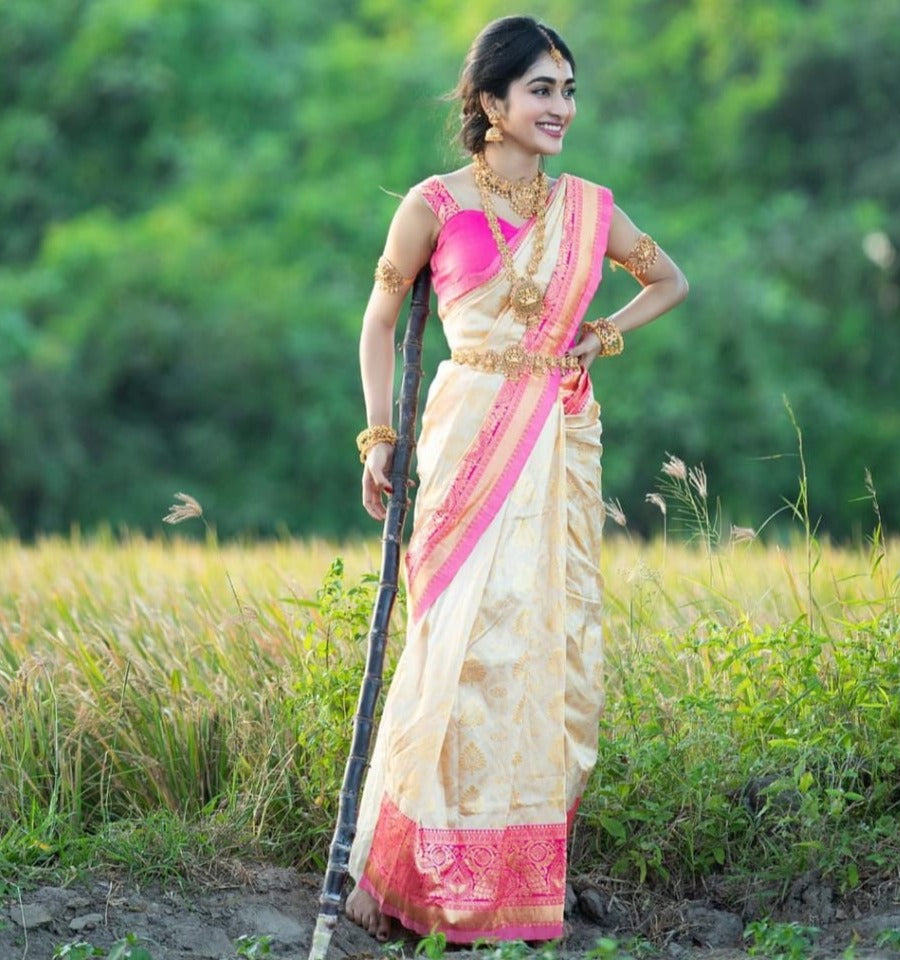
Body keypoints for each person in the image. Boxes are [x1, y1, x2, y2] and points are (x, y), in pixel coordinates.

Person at [347, 15, 688, 945]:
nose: (561, 108)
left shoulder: (586, 209)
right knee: (456, 644)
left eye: (569, 91)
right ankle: (417, 873)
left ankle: (515, 875)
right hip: (466, 442)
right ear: (491, 103)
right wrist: (380, 435)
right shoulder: (434, 204)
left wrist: (599, 335)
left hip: (555, 435)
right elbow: (379, 322)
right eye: (542, 89)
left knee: (544, 645)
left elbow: (670, 282)